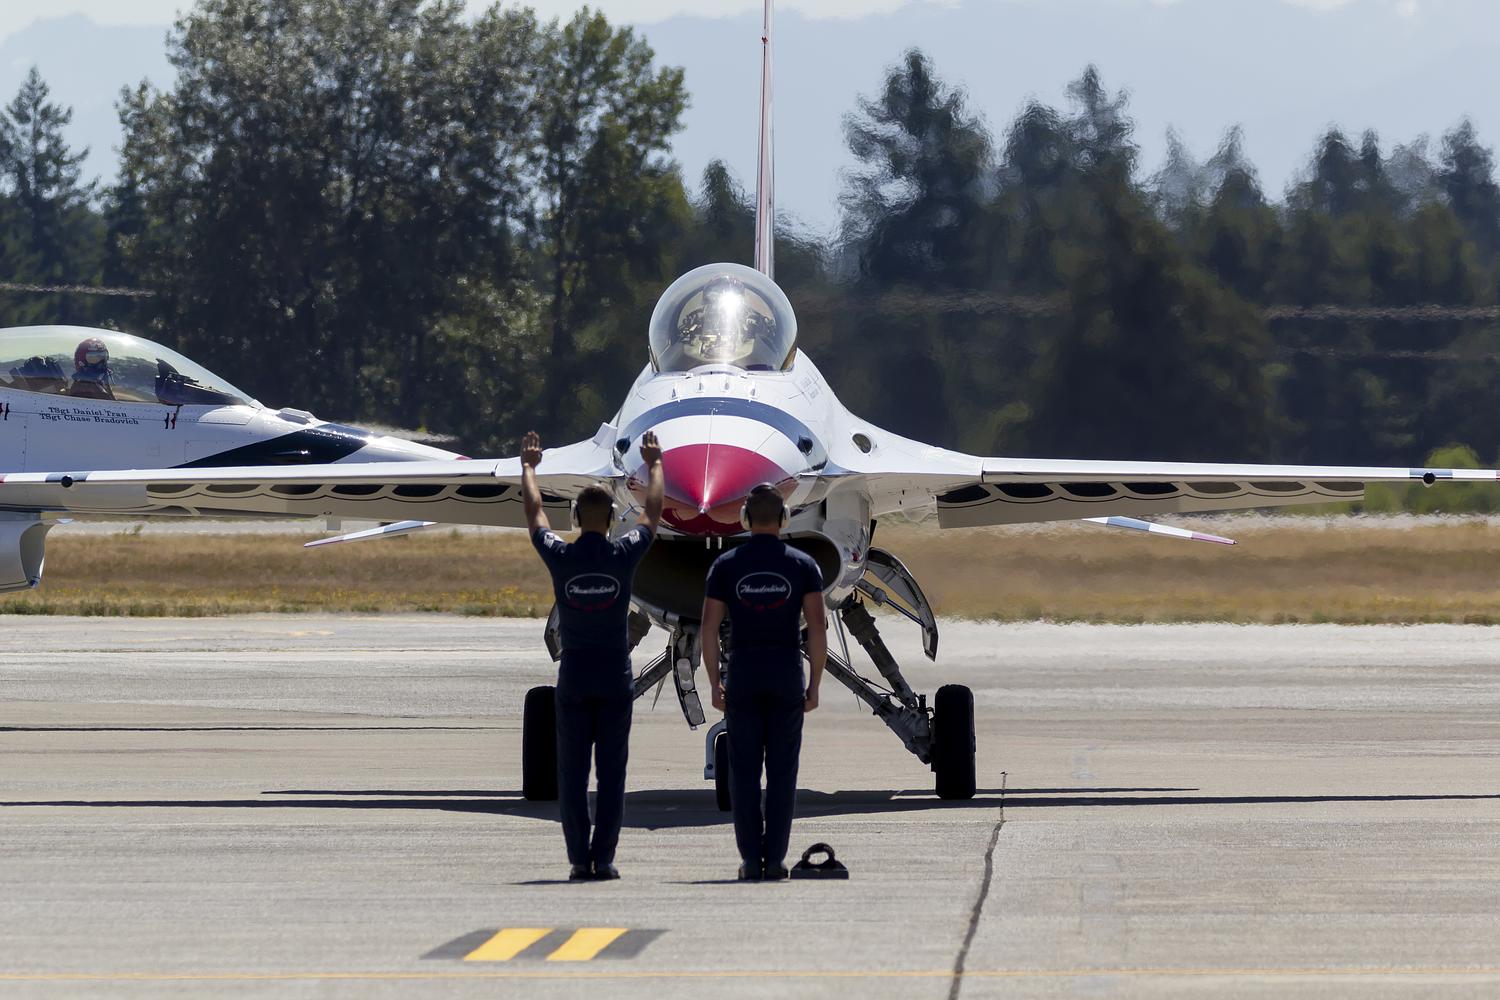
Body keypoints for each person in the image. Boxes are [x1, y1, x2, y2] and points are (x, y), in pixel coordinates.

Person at [522, 429, 663, 882]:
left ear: (577, 517)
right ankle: (605, 859)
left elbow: (535, 516)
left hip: (576, 679)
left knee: (572, 775)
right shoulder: (624, 554)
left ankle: (579, 861)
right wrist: (655, 465)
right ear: (612, 517)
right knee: (612, 775)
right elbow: (653, 513)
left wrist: (529, 469)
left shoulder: (561, 557)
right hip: (614, 679)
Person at [701, 483, 826, 881]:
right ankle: (775, 861)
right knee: (783, 773)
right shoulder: (804, 565)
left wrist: (714, 682)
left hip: (744, 676)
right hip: (786, 675)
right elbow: (818, 626)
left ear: (745, 519)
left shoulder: (725, 566)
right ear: (785, 518)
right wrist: (815, 684)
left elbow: (709, 628)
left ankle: (750, 860)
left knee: (744, 774)